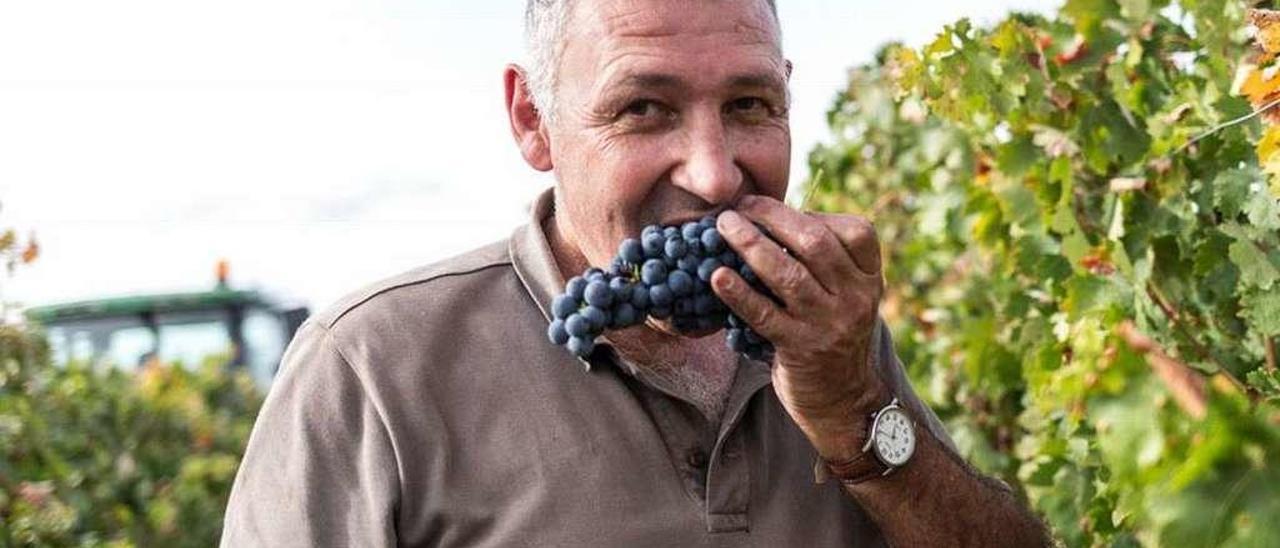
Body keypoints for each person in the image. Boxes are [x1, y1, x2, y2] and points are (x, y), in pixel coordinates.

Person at [220, 0, 1050, 545]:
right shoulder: (370, 369)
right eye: (643, 109)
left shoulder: (822, 337)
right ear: (533, 121)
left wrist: (860, 416)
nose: (716, 173)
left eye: (748, 106)